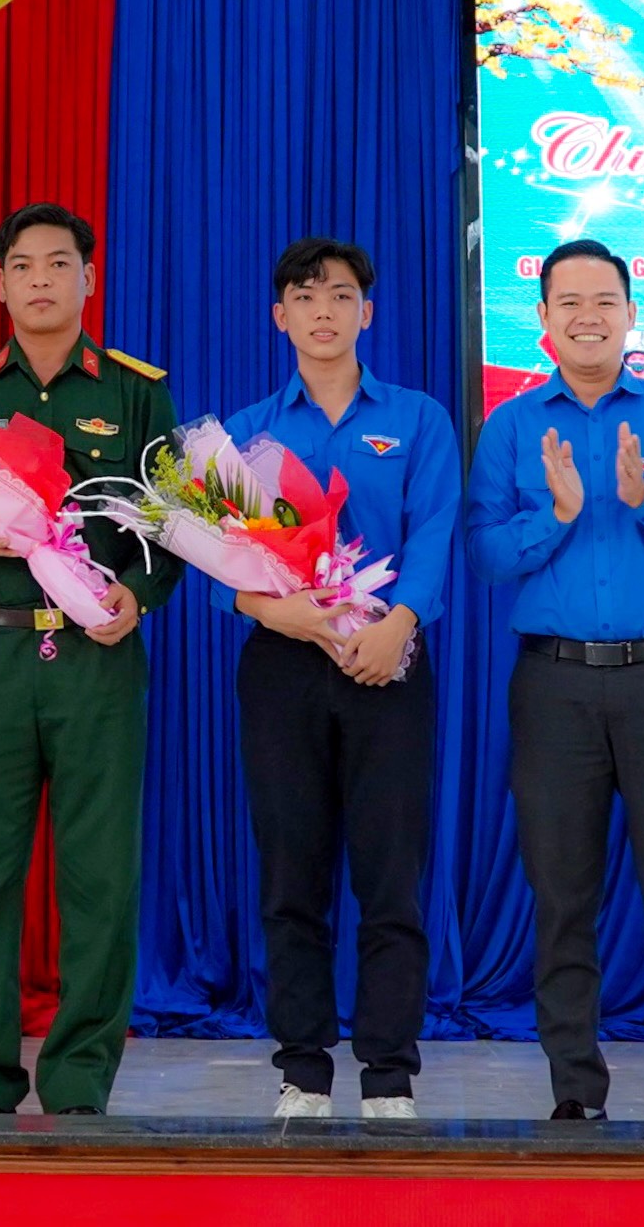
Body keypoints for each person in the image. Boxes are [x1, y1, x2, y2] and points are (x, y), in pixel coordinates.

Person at [0, 203, 183, 1116]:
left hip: (95, 659)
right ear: (0, 283)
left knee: (100, 879)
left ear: (88, 279)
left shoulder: (135, 391)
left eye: (59, 264)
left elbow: (173, 522)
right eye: (22, 266)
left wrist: (137, 596)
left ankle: (79, 1077)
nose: (40, 281)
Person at [464, 237, 644, 1122]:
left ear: (630, 314)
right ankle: (576, 1095)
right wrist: (558, 515)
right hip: (555, 688)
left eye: (604, 301)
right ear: (542, 320)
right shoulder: (512, 427)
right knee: (562, 902)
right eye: (569, 302)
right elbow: (485, 556)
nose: (588, 316)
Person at [218, 238, 460, 1119]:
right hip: (284, 665)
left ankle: (390, 1072)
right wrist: (267, 609)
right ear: (279, 315)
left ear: (368, 312)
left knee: (390, 878)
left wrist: (400, 625)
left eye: (342, 294)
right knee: (293, 875)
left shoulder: (419, 420)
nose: (324, 310)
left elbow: (433, 532)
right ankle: (303, 1069)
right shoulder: (245, 432)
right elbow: (221, 558)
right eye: (306, 295)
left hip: (386, 659)